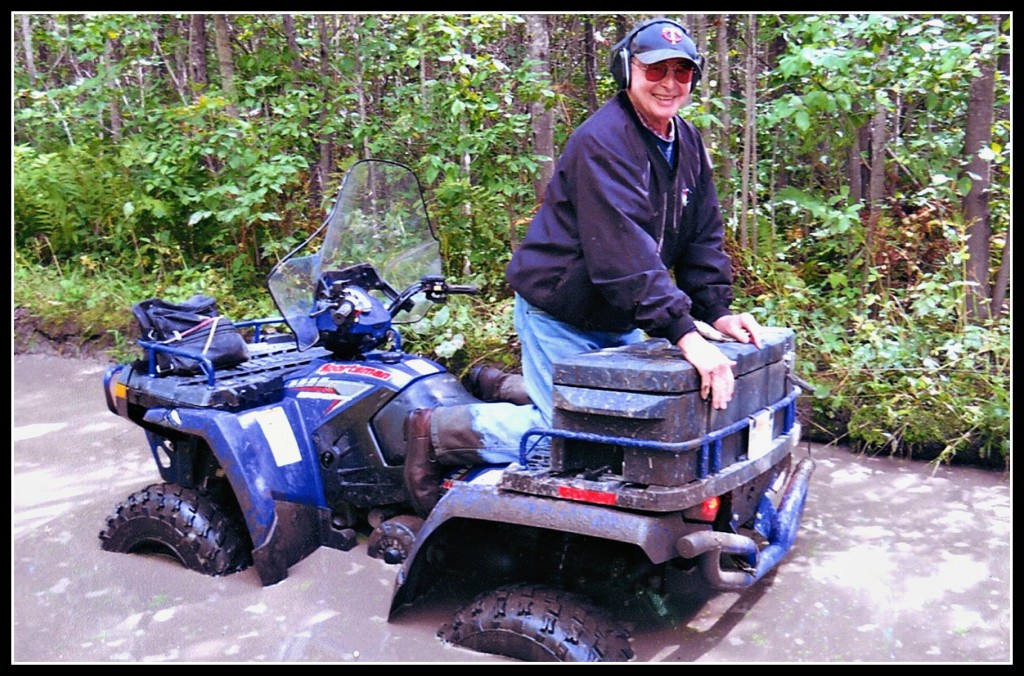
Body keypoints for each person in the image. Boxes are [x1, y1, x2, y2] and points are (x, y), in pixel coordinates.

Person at [404, 17, 763, 516]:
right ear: (628, 70)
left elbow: (702, 236)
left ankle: (504, 385)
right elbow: (624, 254)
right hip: (562, 309)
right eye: (656, 69)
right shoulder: (604, 140)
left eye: (683, 72)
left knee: (628, 425)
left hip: (621, 313)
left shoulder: (686, 143)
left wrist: (718, 312)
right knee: (575, 443)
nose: (669, 83)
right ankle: (438, 432)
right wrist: (686, 334)